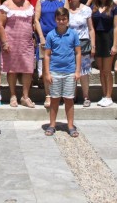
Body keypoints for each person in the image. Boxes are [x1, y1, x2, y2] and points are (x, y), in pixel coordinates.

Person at [43, 7, 81, 138]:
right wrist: (47, 73)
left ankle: (70, 125)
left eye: (64, 19)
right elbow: (47, 55)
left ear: (68, 20)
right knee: (54, 100)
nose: (61, 21)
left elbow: (78, 52)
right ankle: (52, 124)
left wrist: (77, 71)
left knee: (69, 100)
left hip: (70, 71)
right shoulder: (51, 35)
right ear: (55, 20)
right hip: (55, 71)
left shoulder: (73, 34)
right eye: (59, 19)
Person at [0, 0, 36, 108]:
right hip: (11, 42)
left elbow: (32, 23)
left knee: (28, 69)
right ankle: (13, 95)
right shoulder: (6, 5)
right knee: (12, 69)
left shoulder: (28, 4)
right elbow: (0, 25)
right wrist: (4, 42)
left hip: (26, 43)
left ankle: (25, 96)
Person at [34, 0, 66, 108]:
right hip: (45, 38)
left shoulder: (63, 0)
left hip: (60, 37)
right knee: (46, 68)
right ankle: (48, 95)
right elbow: (36, 20)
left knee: (59, 66)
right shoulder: (41, 1)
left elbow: (66, 19)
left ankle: (58, 94)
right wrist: (41, 37)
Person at [91, 0, 117, 107]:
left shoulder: (114, 7)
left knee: (108, 71)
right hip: (97, 39)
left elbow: (116, 27)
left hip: (108, 39)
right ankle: (104, 95)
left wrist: (114, 45)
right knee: (101, 70)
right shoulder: (94, 7)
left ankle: (109, 95)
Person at [66, 0, 95, 107]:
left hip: (83, 43)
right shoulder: (65, 10)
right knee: (71, 71)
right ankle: (72, 95)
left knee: (83, 72)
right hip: (68, 44)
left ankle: (86, 96)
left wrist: (93, 45)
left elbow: (91, 29)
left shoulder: (86, 10)